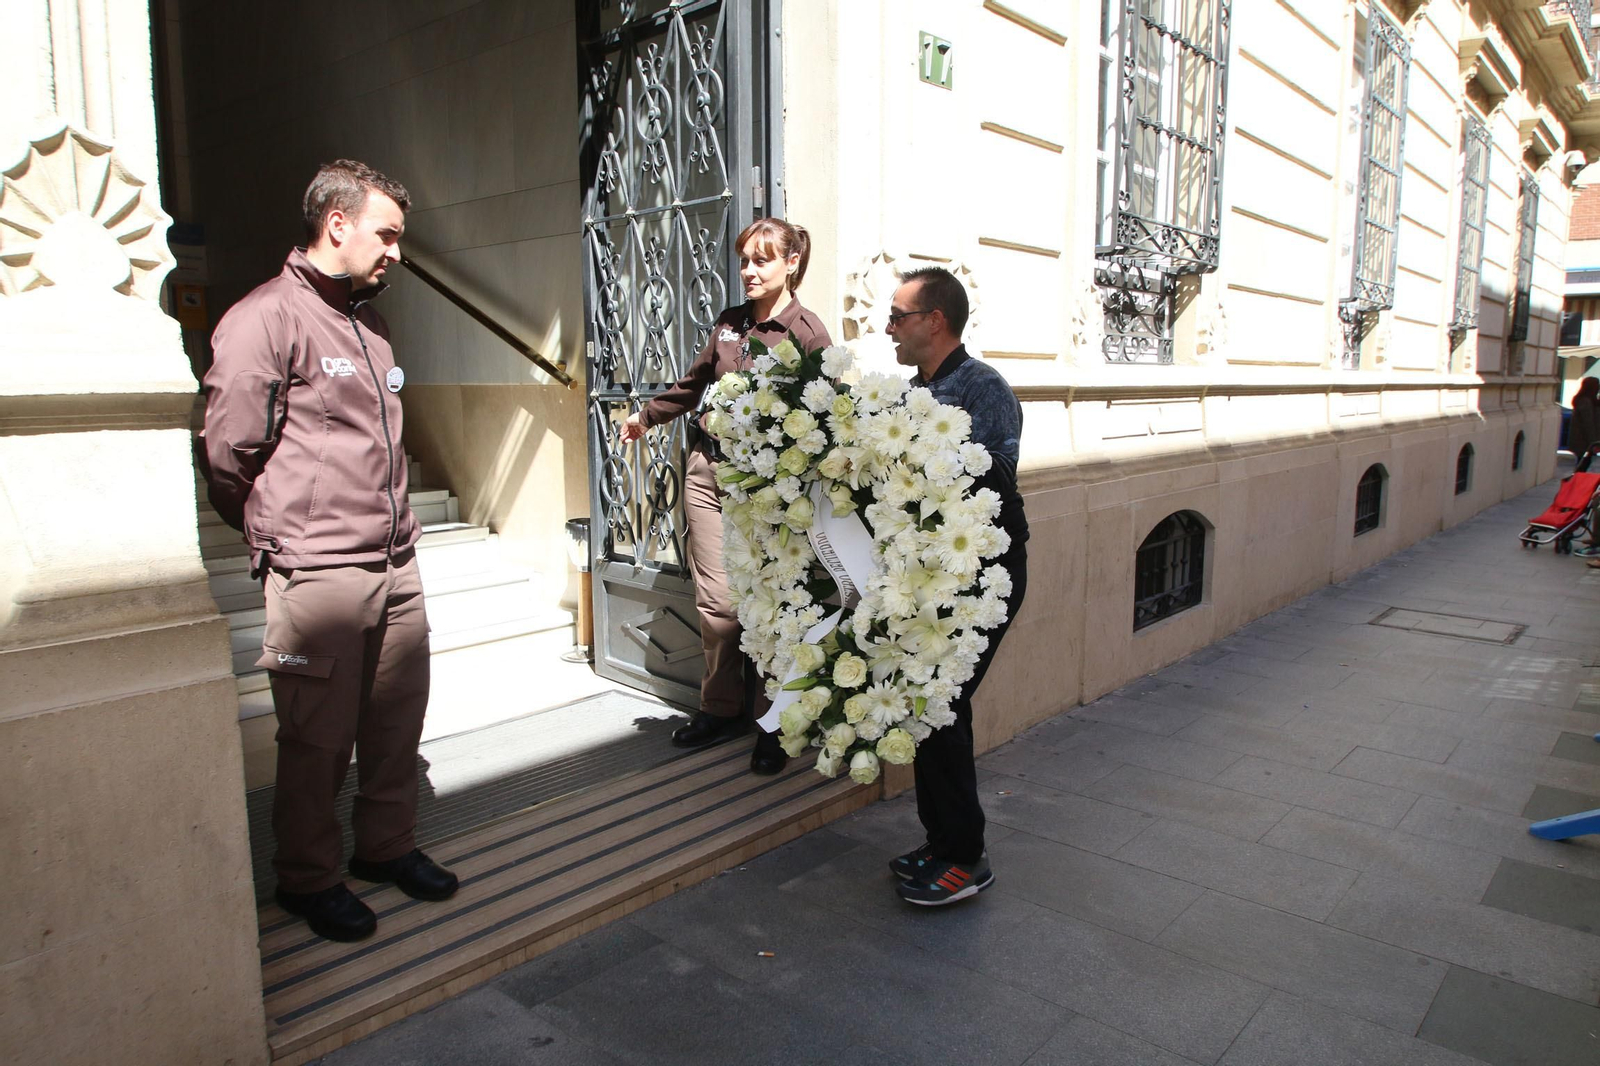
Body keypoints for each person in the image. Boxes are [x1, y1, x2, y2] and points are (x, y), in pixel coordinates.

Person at [201, 160, 458, 943]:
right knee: (316, 738)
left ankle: (385, 848)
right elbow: (228, 455)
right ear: (337, 224)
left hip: (395, 562)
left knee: (395, 722)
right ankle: (307, 878)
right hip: (316, 569)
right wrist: (280, 535)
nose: (397, 253)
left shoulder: (368, 323)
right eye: (387, 234)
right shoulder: (264, 318)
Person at [620, 218, 832, 775]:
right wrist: (647, 416)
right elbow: (694, 383)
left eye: (762, 260)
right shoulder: (729, 323)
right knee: (717, 603)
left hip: (768, 489)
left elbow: (824, 412)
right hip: (708, 476)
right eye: (744, 260)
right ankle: (720, 708)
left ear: (791, 263)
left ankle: (772, 722)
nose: (749, 271)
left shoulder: (806, 332)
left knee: (769, 605)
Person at [882, 266, 1028, 906]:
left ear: (934, 320)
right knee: (927, 705)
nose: (889, 328)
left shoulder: (981, 386)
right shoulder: (914, 391)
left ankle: (967, 859)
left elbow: (997, 473)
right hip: (927, 575)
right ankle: (941, 842)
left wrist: (923, 458)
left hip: (982, 575)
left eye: (898, 316)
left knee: (944, 704)